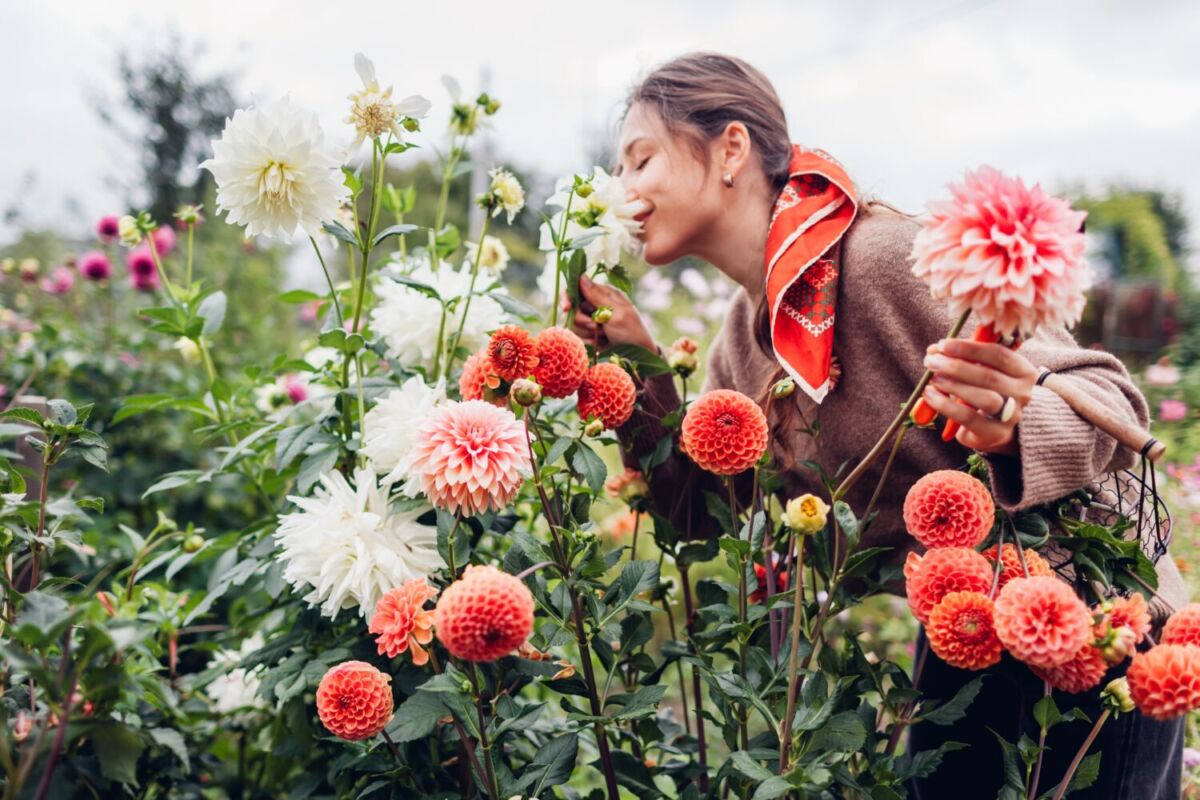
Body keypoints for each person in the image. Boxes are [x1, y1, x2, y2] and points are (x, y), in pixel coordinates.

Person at [563, 52, 1188, 799]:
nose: (624, 190)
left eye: (641, 160)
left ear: (730, 149)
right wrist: (639, 367)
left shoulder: (882, 259)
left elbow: (1113, 402)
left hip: (1087, 623)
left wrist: (1014, 426)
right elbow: (700, 513)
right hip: (963, 626)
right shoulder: (743, 339)